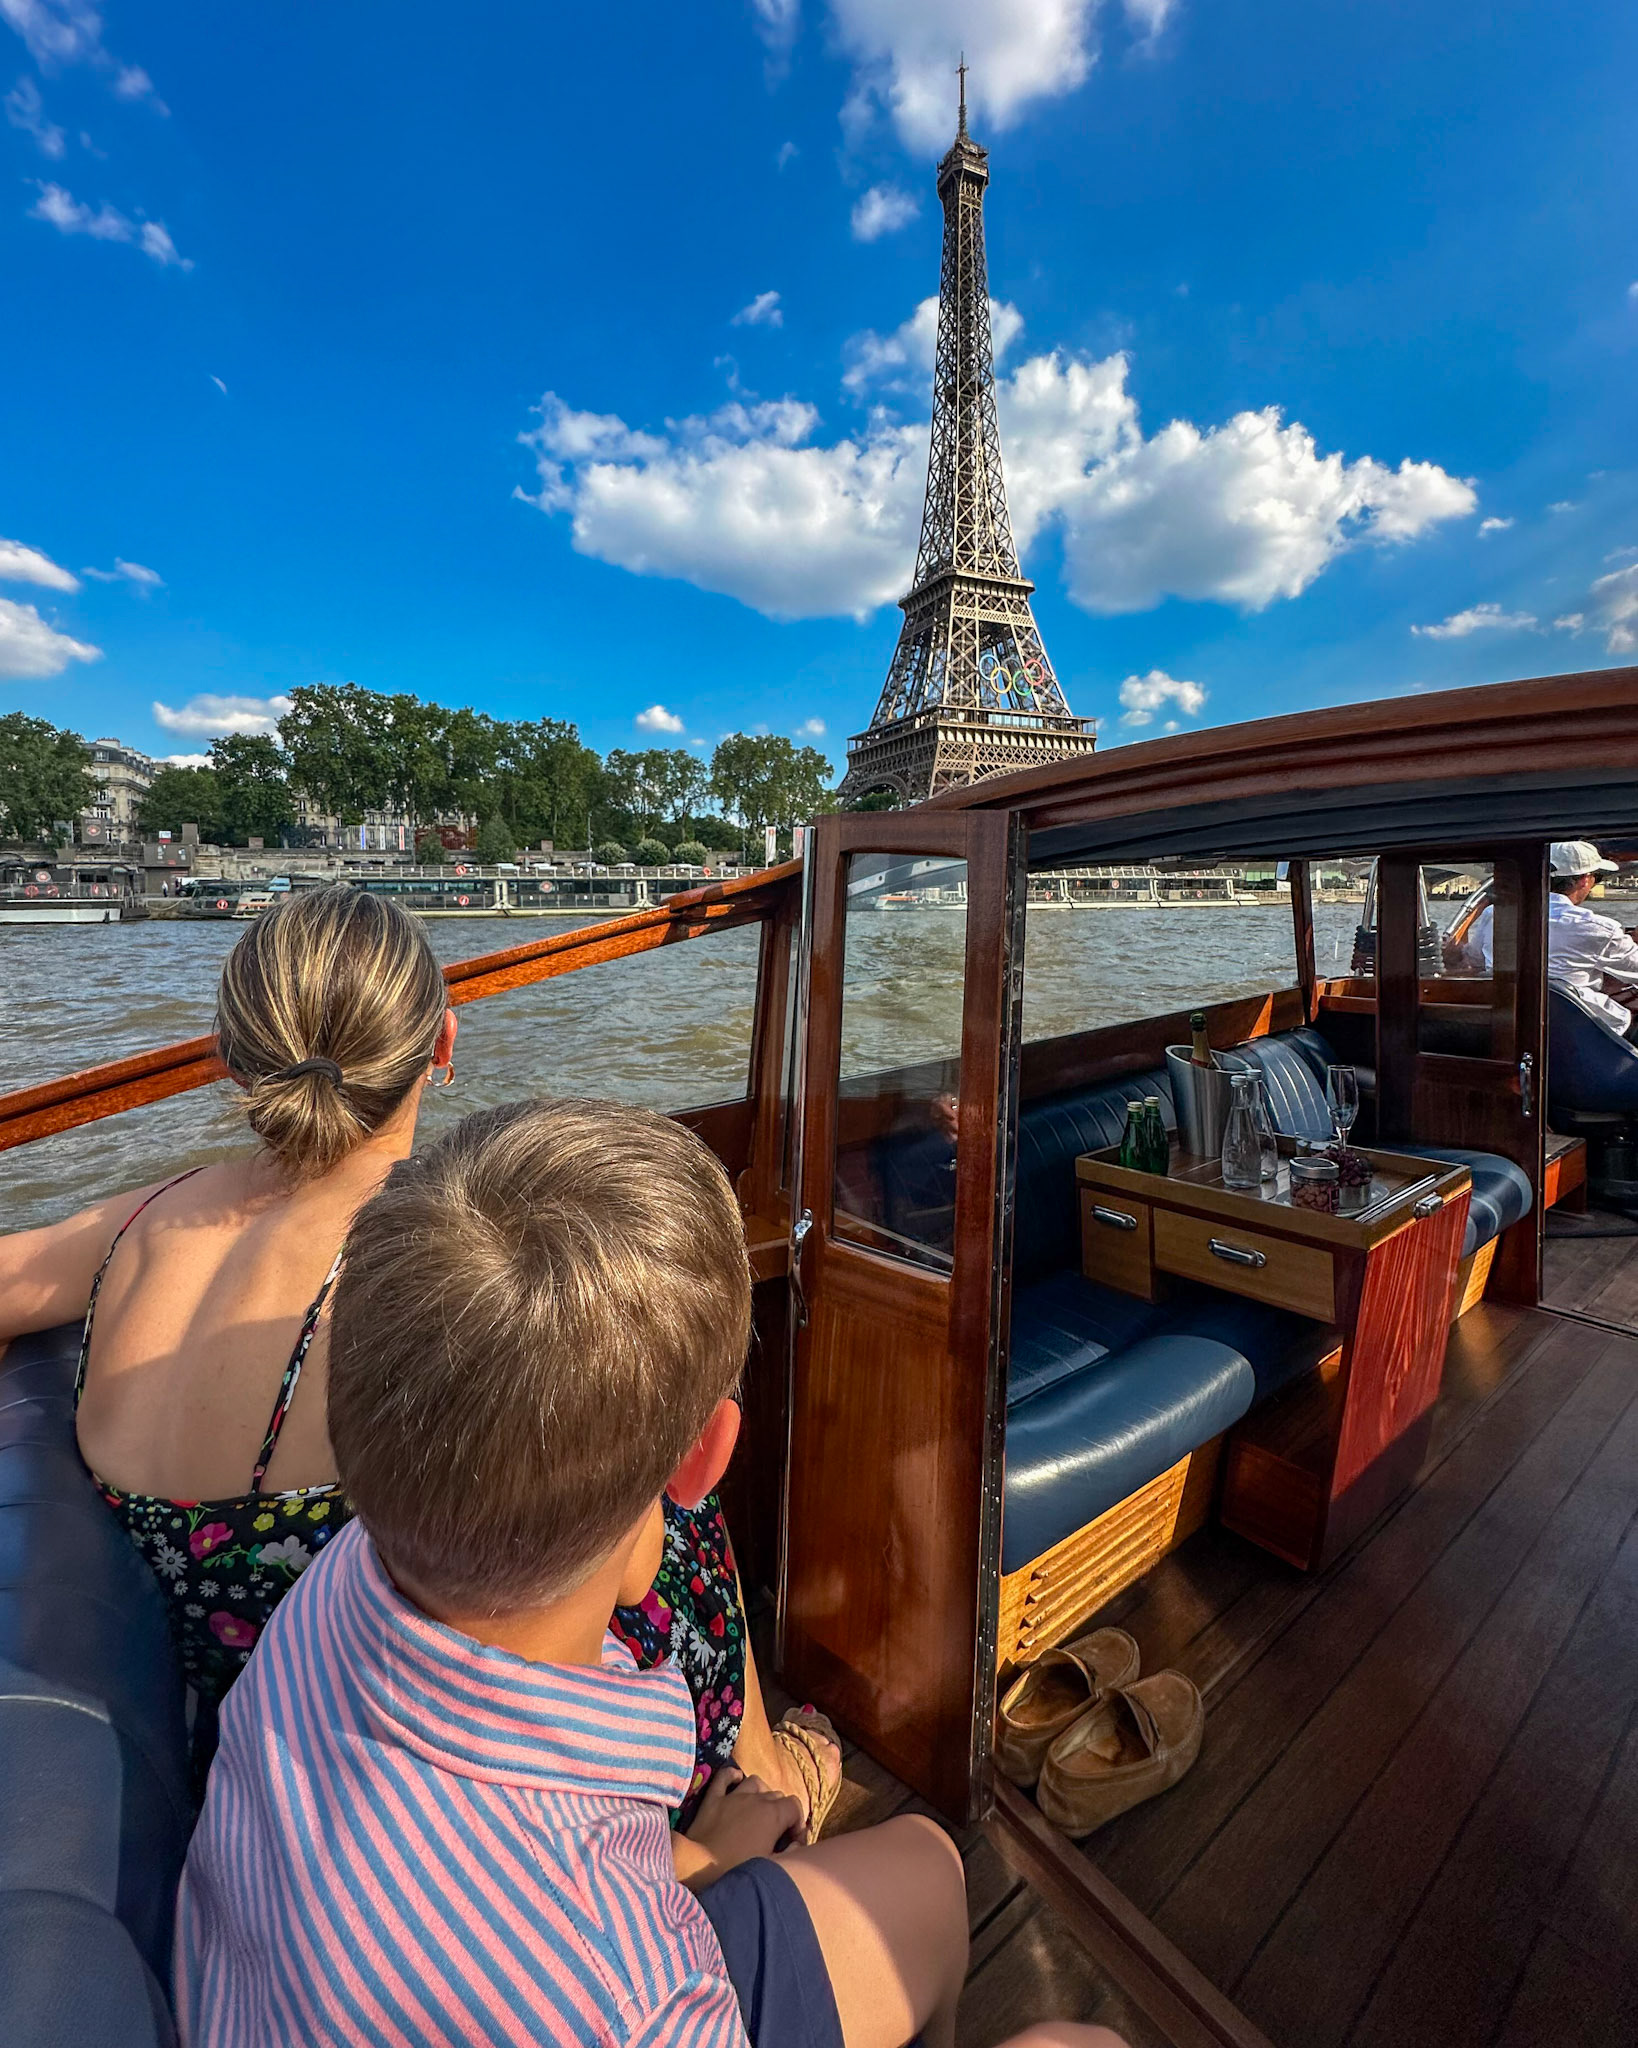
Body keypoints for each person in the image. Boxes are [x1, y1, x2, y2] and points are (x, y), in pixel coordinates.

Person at [176, 1097, 1127, 2048]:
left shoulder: (336, 1586)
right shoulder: (628, 2003)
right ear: (706, 1458)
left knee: (923, 1862)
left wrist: (702, 1856)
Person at [0, 882, 826, 1825]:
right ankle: (769, 1784)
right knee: (671, 1505)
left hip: (232, 1714)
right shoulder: (423, 1281)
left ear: (233, 1058)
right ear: (443, 1046)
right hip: (393, 1705)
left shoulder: (139, 1222)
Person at [1471, 841, 1638, 1036]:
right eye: (1597, 877)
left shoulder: (1493, 915)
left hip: (1513, 1029)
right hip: (1587, 1031)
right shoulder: (1600, 929)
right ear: (1584, 880)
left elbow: (1474, 960)